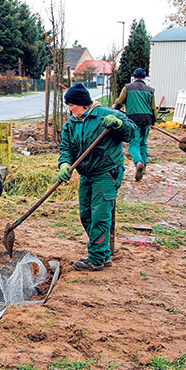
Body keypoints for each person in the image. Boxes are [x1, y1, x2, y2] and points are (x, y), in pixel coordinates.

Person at [58, 82, 137, 271]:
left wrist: (119, 124)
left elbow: (132, 132)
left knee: (99, 216)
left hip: (106, 172)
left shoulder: (105, 115)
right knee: (86, 215)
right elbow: (66, 148)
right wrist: (64, 164)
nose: (69, 108)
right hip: (86, 174)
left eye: (71, 105)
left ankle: (95, 259)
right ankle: (104, 254)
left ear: (82, 103)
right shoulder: (71, 124)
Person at [113, 68, 157, 181]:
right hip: (146, 119)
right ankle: (144, 166)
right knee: (143, 142)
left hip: (133, 119)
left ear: (134, 77)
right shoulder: (150, 90)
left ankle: (138, 162)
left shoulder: (128, 87)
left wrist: (115, 110)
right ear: (144, 78)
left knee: (133, 143)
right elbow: (153, 108)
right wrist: (153, 121)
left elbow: (119, 101)